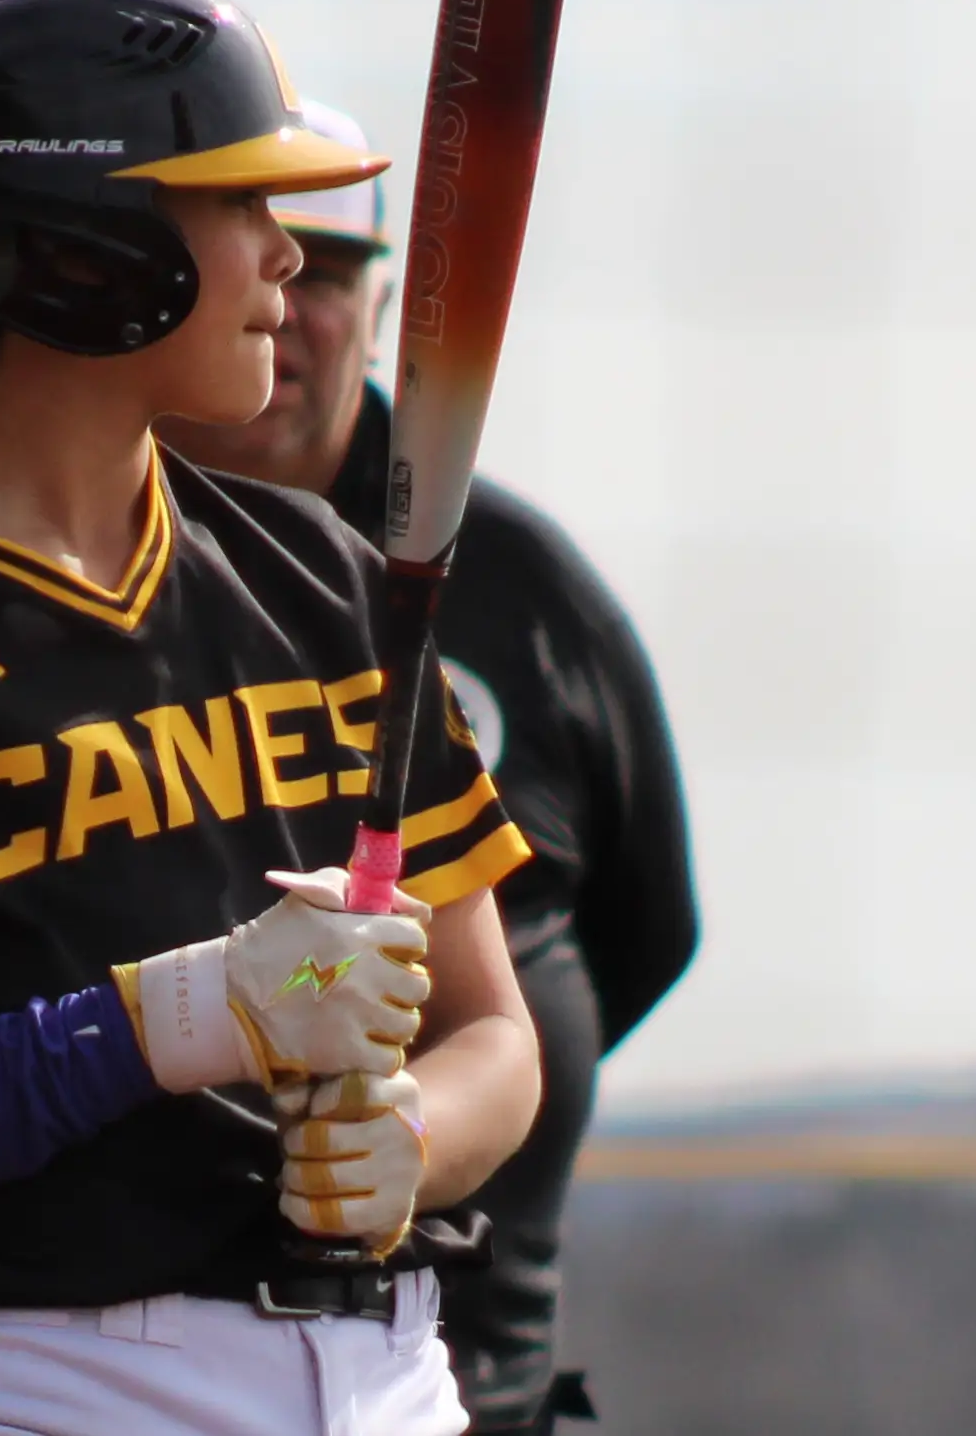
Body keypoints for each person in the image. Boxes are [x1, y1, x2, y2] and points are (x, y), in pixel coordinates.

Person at [0, 0, 546, 1436]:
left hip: (392, 1375)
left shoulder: (324, 576)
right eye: (236, 202)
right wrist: (189, 1012)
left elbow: (497, 1041)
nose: (286, 253)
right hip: (54, 1381)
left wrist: (414, 1139)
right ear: (83, 246)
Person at [158, 102, 699, 1435]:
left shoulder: (518, 589)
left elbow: (643, 928)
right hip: (113, 1371)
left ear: (383, 309)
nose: (286, 307)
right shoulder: (49, 587)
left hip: (466, 1374)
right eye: (256, 260)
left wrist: (454, 1083)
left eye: (327, 273)